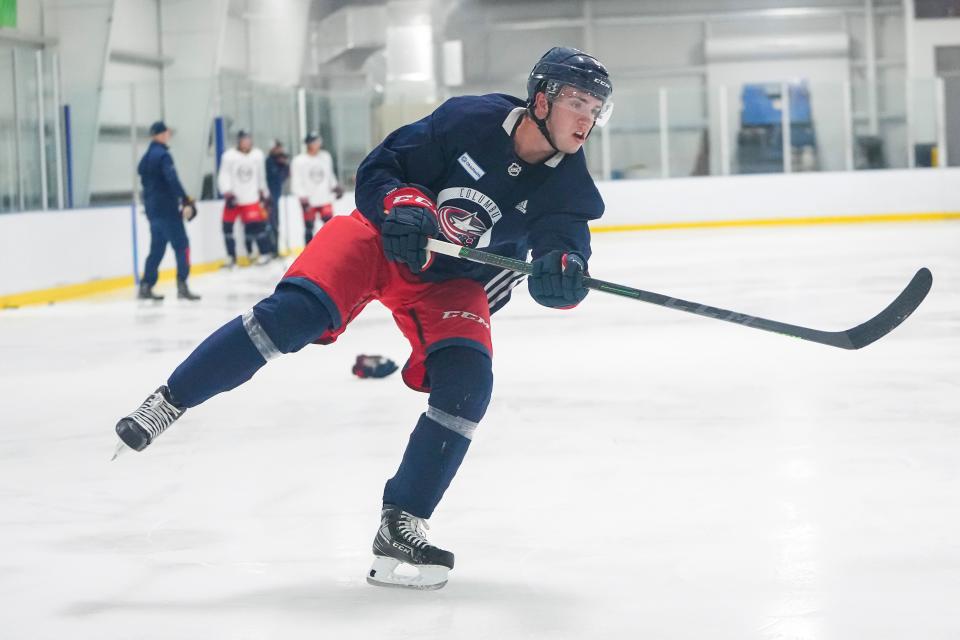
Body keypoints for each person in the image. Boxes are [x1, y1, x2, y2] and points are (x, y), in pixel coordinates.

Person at [113, 47, 613, 590]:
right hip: (379, 241)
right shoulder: (469, 119)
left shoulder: (569, 185)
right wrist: (402, 203)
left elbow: (563, 247)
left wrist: (563, 272)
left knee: (468, 385)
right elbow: (382, 166)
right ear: (541, 99)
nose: (587, 120)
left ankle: (401, 522)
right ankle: (170, 400)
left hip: (450, 281)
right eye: (577, 103)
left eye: (597, 109)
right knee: (291, 318)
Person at [137, 121, 201, 301]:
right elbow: (172, 179)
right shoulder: (163, 156)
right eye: (166, 132)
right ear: (159, 134)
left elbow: (142, 175)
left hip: (153, 211)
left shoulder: (146, 156)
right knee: (182, 246)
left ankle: (146, 285)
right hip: (168, 210)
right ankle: (182, 285)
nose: (168, 135)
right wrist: (185, 198)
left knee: (156, 249)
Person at [218, 130, 272, 267]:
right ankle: (231, 257)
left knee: (257, 227)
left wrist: (264, 193)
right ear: (239, 141)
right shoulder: (229, 156)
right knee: (227, 227)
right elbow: (224, 175)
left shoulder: (257, 155)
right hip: (234, 199)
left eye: (249, 139)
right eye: (244, 140)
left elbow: (261, 176)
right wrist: (227, 193)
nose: (247, 142)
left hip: (251, 198)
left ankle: (264, 254)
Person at [290, 132, 343, 247]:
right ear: (308, 144)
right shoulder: (299, 161)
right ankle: (308, 251)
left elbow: (329, 175)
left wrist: (335, 186)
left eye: (318, 141)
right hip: (309, 199)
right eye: (315, 142)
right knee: (309, 226)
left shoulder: (325, 156)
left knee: (329, 224)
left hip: (324, 197)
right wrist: (302, 198)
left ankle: (331, 248)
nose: (317, 144)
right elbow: (296, 181)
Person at [265, 140, 290, 257]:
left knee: (275, 223)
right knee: (269, 224)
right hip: (267, 198)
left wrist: (284, 166)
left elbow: (284, 177)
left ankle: (275, 250)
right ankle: (270, 250)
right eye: (277, 148)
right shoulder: (268, 162)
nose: (279, 150)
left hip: (275, 197)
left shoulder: (280, 161)